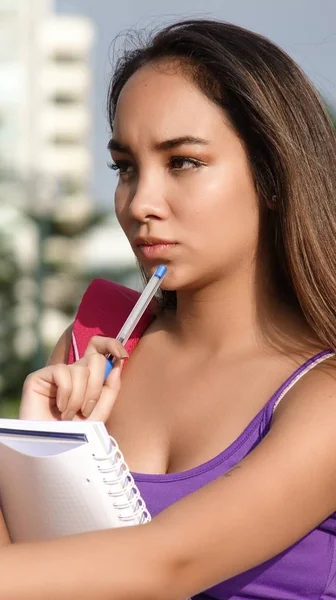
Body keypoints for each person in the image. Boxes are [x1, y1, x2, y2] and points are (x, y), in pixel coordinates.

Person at [1, 17, 336, 600]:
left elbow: (168, 566)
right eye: (125, 168)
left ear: (272, 174)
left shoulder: (322, 393)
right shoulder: (88, 348)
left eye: (182, 161)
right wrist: (41, 451)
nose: (140, 203)